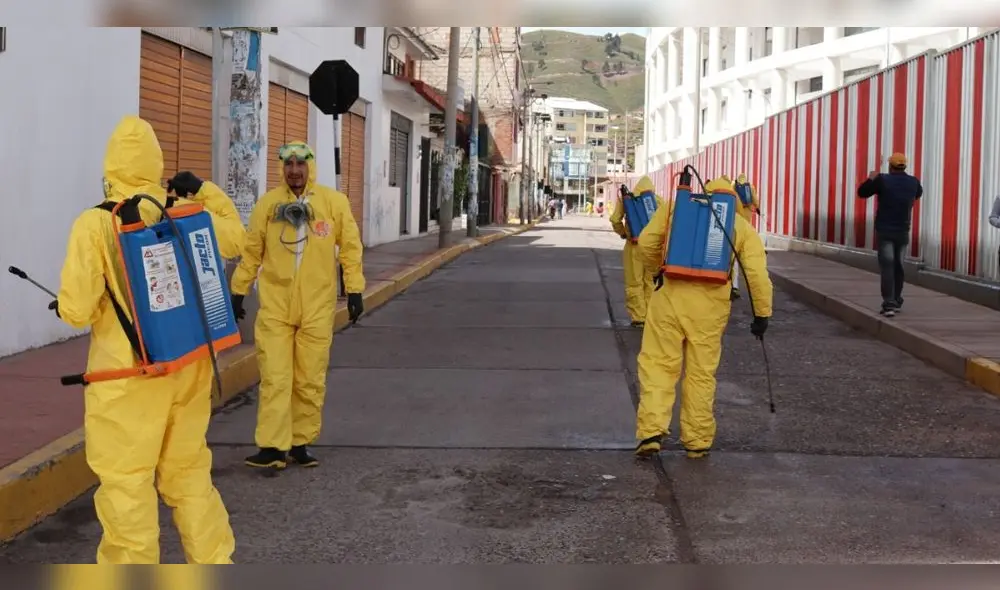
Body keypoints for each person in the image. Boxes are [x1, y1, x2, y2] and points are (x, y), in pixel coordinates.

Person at [51, 115, 244, 563]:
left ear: (110, 166)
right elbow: (236, 238)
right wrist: (205, 190)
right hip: (187, 366)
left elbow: (77, 310)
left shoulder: (95, 223)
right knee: (189, 476)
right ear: (155, 163)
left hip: (128, 380)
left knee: (127, 487)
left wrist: (65, 305)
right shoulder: (182, 213)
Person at [230, 141, 365, 470]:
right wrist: (238, 291)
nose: (294, 171)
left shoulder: (333, 203)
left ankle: (300, 443)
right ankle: (272, 447)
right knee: (275, 378)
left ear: (310, 167)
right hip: (276, 307)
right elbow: (252, 252)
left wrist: (355, 290)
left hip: (317, 307)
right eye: (288, 164)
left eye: (300, 164)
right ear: (282, 168)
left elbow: (350, 247)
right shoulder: (268, 206)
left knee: (309, 378)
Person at [634, 176, 773, 459]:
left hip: (668, 300)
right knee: (701, 373)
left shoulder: (675, 208)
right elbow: (757, 275)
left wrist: (657, 271)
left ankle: (651, 432)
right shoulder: (740, 226)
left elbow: (646, 242)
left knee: (658, 365)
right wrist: (762, 314)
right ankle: (697, 441)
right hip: (709, 311)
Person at [857, 152, 923, 318]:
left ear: (890, 166)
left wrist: (871, 178)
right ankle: (897, 300)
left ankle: (889, 304)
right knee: (899, 266)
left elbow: (862, 193)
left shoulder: (882, 180)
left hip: (885, 230)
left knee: (887, 266)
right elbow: (917, 194)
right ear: (904, 166)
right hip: (903, 230)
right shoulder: (914, 182)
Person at [610, 176, 663, 328]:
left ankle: (639, 317)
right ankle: (651, 315)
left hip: (633, 246)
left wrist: (623, 233)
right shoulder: (658, 201)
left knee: (634, 282)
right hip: (652, 249)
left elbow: (615, 220)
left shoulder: (627, 200)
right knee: (650, 282)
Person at [730, 172, 760, 301]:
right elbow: (756, 201)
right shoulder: (750, 187)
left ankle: (734, 285)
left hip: (735, 223)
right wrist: (756, 208)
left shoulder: (733, 185)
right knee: (745, 257)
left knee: (733, 257)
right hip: (746, 225)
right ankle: (753, 287)